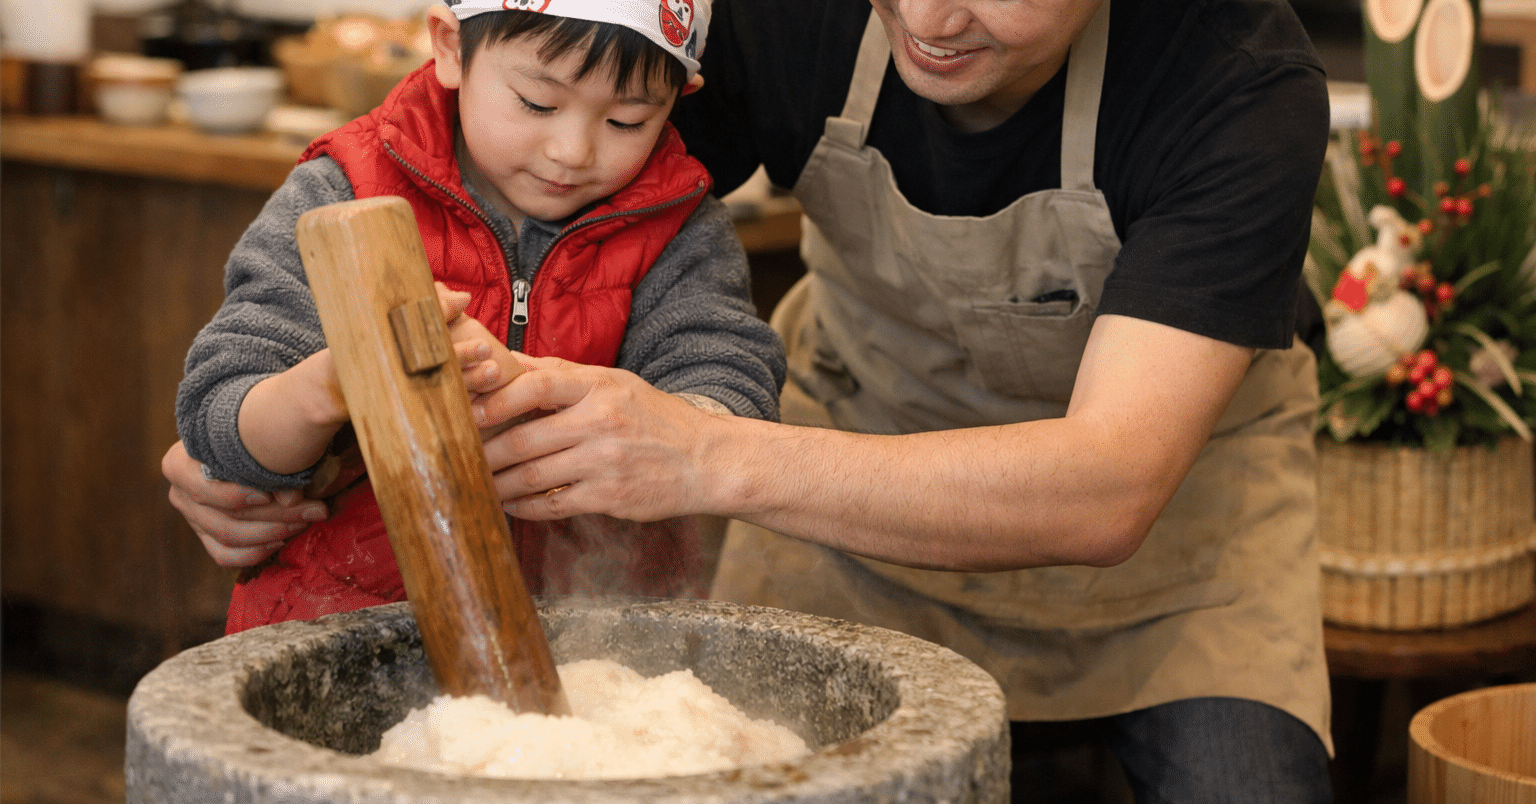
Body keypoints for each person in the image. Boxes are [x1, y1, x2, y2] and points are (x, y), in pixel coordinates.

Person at [165, 0, 1334, 799]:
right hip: (845, 490)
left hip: (1170, 544)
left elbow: (1108, 488)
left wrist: (703, 450)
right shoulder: (770, 15)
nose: (930, 17)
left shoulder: (1237, 78)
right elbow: (515, 183)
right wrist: (275, 426)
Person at [173, 0, 785, 634]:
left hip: (603, 636)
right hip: (336, 626)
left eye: (628, 119)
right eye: (537, 104)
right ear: (450, 49)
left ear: (680, 95)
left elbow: (727, 397)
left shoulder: (678, 226)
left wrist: (687, 428)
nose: (573, 151)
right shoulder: (342, 193)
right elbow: (220, 423)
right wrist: (341, 377)